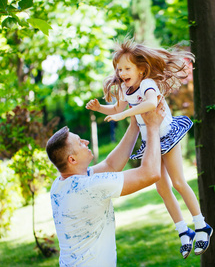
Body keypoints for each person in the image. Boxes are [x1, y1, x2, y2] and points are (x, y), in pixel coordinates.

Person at [85, 38, 212, 259]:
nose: (122, 73)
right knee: (162, 189)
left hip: (166, 136)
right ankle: (183, 230)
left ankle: (202, 225)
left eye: (127, 68)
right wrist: (100, 108)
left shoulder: (147, 85)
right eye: (119, 69)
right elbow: (116, 107)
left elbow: (151, 104)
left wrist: (125, 114)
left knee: (179, 182)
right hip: (151, 142)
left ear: (142, 69)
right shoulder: (125, 89)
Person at [46, 101, 166, 266]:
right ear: (71, 159)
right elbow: (150, 173)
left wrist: (134, 126)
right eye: (80, 142)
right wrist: (152, 127)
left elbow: (110, 166)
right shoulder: (88, 187)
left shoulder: (61, 184)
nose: (86, 142)